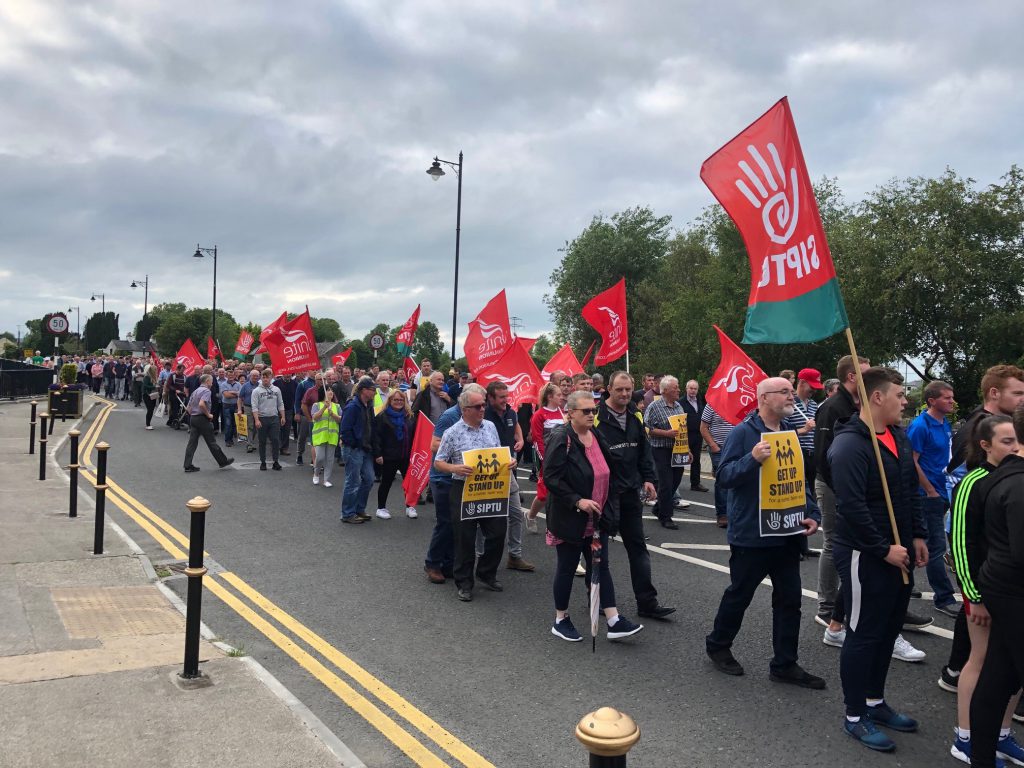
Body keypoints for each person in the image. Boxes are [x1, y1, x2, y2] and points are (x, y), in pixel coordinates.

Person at [829, 366, 929, 751]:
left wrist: (917, 535)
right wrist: (882, 548)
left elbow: (909, 492)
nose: (905, 402)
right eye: (900, 395)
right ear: (877, 397)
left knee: (888, 630)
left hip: (900, 550)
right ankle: (855, 715)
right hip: (865, 555)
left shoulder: (899, 437)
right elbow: (851, 507)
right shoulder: (851, 445)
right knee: (864, 633)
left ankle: (875, 700)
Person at [705, 377, 824, 690]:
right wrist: (752, 459)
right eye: (784, 392)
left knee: (790, 601)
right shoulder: (744, 433)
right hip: (752, 536)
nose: (791, 397)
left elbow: (795, 478)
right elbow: (724, 477)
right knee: (740, 595)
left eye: (790, 392)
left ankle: (784, 663)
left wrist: (811, 513)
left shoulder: (789, 435)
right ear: (764, 398)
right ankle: (718, 644)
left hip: (786, 534)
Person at [947, 414, 1024, 764]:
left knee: (1006, 670)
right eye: (1006, 442)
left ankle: (1000, 735)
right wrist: (973, 596)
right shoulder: (974, 481)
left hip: (1003, 589)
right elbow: (961, 542)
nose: (1013, 448)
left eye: (1015, 440)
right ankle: (966, 736)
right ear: (985, 445)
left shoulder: (1006, 477)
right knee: (981, 661)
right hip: (985, 590)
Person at [544, 390, 644, 643]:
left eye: (594, 411)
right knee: (567, 567)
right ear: (571, 413)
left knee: (600, 566)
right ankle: (560, 619)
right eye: (586, 411)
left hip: (597, 519)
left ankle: (613, 619)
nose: (591, 415)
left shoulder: (595, 435)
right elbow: (551, 478)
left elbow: (607, 469)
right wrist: (577, 500)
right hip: (570, 518)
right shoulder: (561, 438)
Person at [594, 371, 675, 619]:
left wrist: (649, 479)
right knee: (599, 554)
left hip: (630, 491)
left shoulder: (635, 413)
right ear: (608, 389)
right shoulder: (596, 416)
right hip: (605, 496)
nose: (625, 394)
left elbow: (644, 450)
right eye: (619, 389)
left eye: (628, 389)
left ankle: (647, 603)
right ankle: (598, 601)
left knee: (638, 549)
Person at [433, 384, 512, 601]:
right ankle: (464, 582)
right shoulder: (452, 432)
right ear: (465, 409)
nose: (482, 409)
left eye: (483, 405)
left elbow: (497, 452)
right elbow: (439, 462)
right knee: (464, 538)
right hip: (464, 489)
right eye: (477, 406)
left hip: (491, 487)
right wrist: (454, 468)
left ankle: (486, 572)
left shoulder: (490, 427)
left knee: (497, 532)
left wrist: (509, 462)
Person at [906, 380, 960, 617]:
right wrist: (929, 490)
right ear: (932, 401)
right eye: (946, 397)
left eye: (951, 397)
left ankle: (903, 584)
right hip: (927, 494)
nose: (951, 401)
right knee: (936, 546)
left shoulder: (944, 422)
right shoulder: (920, 426)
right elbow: (912, 461)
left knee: (915, 541)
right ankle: (944, 597)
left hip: (941, 489)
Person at [481, 381, 533, 571]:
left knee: (516, 513)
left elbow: (516, 424)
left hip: (508, 469)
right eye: (501, 397)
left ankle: (515, 556)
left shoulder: (510, 411)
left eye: (507, 396)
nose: (506, 400)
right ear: (490, 398)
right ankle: (480, 557)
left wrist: (519, 438)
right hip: (486, 472)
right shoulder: (483, 414)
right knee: (483, 516)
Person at [424, 401, 464, 583]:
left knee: (456, 523)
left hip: (460, 478)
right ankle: (432, 564)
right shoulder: (449, 416)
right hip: (443, 477)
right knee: (445, 523)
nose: (482, 408)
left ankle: (448, 564)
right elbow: (434, 445)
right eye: (478, 405)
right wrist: (459, 450)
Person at [644, 375, 689, 530]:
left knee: (676, 481)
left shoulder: (679, 406)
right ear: (665, 390)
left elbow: (683, 431)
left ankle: (658, 508)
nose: (678, 390)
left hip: (678, 450)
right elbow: (648, 429)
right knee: (666, 483)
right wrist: (666, 433)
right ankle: (666, 516)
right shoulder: (654, 407)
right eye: (675, 387)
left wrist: (687, 449)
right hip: (661, 449)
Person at [526, 382, 567, 533]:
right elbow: (537, 440)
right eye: (558, 395)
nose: (562, 397)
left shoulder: (563, 413)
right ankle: (530, 515)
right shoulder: (539, 415)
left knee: (561, 491)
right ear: (550, 397)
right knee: (543, 494)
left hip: (562, 457)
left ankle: (554, 525)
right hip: (546, 458)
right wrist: (545, 459)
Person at [791, 368, 822, 560]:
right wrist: (804, 429)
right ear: (801, 383)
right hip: (796, 454)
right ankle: (794, 543)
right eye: (811, 386)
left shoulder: (813, 405)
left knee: (808, 501)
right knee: (796, 500)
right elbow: (783, 432)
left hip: (811, 456)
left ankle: (803, 544)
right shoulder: (790, 404)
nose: (814, 391)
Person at [373, 389, 418, 519]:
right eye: (395, 400)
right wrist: (378, 454)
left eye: (401, 400)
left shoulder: (409, 416)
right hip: (388, 456)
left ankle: (410, 506)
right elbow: (376, 437)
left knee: (409, 483)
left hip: (406, 456)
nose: (398, 402)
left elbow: (415, 435)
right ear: (390, 401)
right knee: (386, 483)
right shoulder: (382, 416)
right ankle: (381, 508)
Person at [340, 377, 377, 524]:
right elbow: (345, 429)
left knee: (368, 479)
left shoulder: (368, 405)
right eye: (372, 389)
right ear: (363, 390)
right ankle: (348, 513)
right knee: (353, 481)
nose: (374, 392)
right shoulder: (353, 406)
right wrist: (355, 443)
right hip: (354, 449)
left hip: (366, 448)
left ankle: (359, 509)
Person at [182, 374, 235, 472]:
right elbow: (202, 404)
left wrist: (194, 413)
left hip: (193, 418)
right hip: (202, 418)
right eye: (211, 381)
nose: (212, 383)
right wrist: (208, 414)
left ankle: (187, 465)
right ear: (207, 381)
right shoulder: (206, 391)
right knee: (211, 442)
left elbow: (188, 408)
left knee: (192, 443)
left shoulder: (195, 391)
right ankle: (222, 461)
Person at [700, 403, 735, 528]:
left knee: (736, 480)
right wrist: (713, 446)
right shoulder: (712, 405)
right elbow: (703, 427)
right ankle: (722, 514)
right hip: (719, 449)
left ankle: (734, 512)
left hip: (736, 448)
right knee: (723, 480)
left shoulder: (741, 402)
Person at [252, 369, 285, 471]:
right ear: (261, 378)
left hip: (274, 418)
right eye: (263, 377)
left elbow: (280, 403)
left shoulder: (276, 390)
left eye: (267, 377)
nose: (265, 379)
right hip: (262, 418)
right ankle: (263, 462)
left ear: (271, 378)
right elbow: (254, 406)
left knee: (275, 440)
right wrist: (257, 420)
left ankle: (276, 461)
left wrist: (283, 416)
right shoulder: (256, 391)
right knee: (262, 441)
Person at [310, 387, 341, 487]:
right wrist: (324, 408)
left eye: (332, 390)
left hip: (332, 436)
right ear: (323, 393)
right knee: (320, 458)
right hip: (320, 436)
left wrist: (333, 414)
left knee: (329, 459)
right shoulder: (316, 405)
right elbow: (314, 417)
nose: (331, 392)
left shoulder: (337, 406)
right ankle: (316, 474)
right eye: (328, 390)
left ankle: (326, 479)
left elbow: (341, 419)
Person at [681, 380, 707, 492]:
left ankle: (695, 483)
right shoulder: (681, 402)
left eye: (695, 389)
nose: (692, 391)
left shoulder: (700, 401)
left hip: (697, 434)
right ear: (686, 389)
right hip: (685, 435)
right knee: (681, 460)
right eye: (690, 388)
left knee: (696, 459)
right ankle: (675, 483)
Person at [274, 372, 298, 456]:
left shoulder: (295, 383)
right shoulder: (276, 383)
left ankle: (285, 448)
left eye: (289, 374)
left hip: (288, 410)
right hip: (277, 410)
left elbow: (297, 396)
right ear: (283, 374)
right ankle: (276, 447)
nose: (288, 376)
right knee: (277, 429)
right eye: (286, 374)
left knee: (286, 429)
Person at [238, 370, 260, 452]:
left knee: (256, 427)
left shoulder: (261, 386)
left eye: (257, 376)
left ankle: (251, 442)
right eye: (253, 375)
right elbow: (240, 398)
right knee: (250, 426)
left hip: (258, 408)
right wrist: (240, 409)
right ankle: (249, 444)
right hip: (248, 407)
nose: (255, 377)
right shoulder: (245, 386)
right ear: (250, 376)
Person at [219, 368, 241, 447]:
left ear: (235, 376)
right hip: (227, 406)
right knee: (228, 424)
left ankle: (233, 438)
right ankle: (228, 440)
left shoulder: (238, 384)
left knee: (234, 423)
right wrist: (236, 393)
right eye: (229, 375)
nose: (231, 376)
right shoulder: (223, 384)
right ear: (226, 376)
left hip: (236, 406)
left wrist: (231, 392)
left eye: (232, 375)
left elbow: (240, 395)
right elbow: (226, 395)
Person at [142, 363, 159, 429]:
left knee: (151, 409)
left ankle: (149, 423)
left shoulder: (154, 377)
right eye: (155, 370)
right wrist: (154, 386)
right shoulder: (147, 377)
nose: (156, 371)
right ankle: (147, 424)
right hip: (147, 395)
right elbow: (145, 386)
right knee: (150, 409)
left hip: (153, 394)